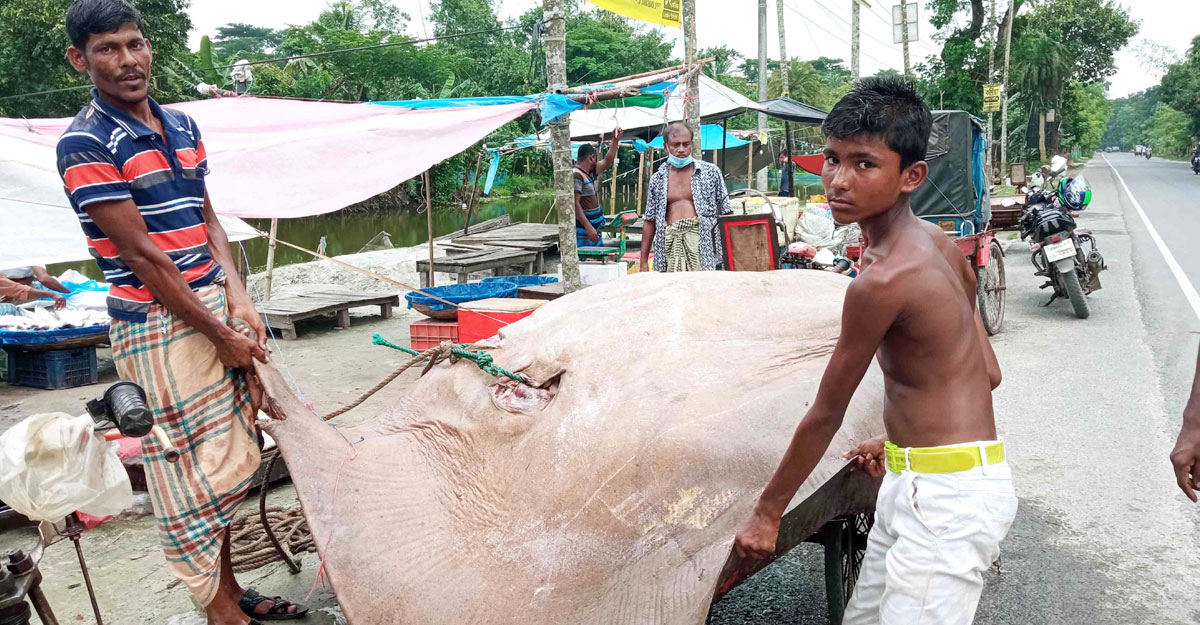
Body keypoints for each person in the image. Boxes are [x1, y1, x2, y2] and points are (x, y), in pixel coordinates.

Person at [56, 1, 304, 623]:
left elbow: (207, 221)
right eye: (108, 49)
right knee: (186, 471)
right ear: (80, 59)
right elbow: (144, 257)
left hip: (214, 307)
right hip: (159, 325)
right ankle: (219, 608)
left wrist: (239, 299)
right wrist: (219, 334)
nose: (127, 60)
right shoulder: (85, 142)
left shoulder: (183, 125)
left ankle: (230, 588)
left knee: (231, 459)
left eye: (134, 44)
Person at [731, 77, 1013, 624]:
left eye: (864, 164)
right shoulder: (939, 243)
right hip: (927, 479)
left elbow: (826, 413)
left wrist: (767, 514)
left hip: (945, 500)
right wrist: (903, 440)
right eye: (832, 159)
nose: (839, 180)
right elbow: (988, 372)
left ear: (912, 176)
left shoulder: (880, 281)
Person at [639, 122, 733, 272]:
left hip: (704, 249)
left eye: (686, 144)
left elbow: (727, 213)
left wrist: (732, 254)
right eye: (675, 145)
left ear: (691, 145)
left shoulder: (711, 173)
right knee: (670, 286)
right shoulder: (658, 180)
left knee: (703, 286)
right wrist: (643, 261)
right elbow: (650, 220)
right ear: (666, 147)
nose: (681, 149)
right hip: (669, 248)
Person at [574, 129, 621, 247]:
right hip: (584, 231)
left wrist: (615, 140)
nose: (596, 162)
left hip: (594, 229)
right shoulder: (577, 175)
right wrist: (588, 227)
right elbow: (575, 204)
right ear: (591, 157)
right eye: (594, 159)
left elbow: (608, 161)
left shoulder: (589, 173)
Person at [0, 267, 69, 310]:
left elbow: (20, 290)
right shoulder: (32, 254)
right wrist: (68, 292)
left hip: (17, 289)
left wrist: (52, 295)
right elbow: (44, 279)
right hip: (14, 290)